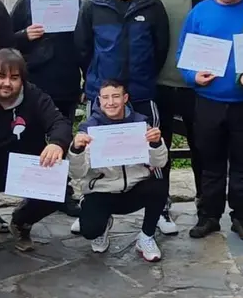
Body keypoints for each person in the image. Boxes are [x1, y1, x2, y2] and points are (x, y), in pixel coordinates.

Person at [178, 0, 243, 242]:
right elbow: (183, 55)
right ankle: (209, 216)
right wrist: (193, 77)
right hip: (208, 102)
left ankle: (241, 217)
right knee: (210, 164)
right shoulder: (200, 13)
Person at [0, 50, 73, 252]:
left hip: (25, 168)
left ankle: (21, 221)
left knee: (61, 191)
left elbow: (59, 122)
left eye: (14, 78)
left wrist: (56, 143)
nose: (7, 83)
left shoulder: (35, 96)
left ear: (22, 80)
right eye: (1, 76)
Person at [145, 0, 214, 235]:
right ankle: (162, 205)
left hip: (194, 87)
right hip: (158, 85)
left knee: (201, 148)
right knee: (159, 149)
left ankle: (205, 208)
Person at [10, 0, 84, 219]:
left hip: (66, 84)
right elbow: (5, 41)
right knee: (31, 141)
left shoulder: (77, 4)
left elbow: (85, 45)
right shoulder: (25, 4)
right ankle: (34, 196)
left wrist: (86, 79)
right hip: (34, 85)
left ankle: (63, 194)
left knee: (60, 141)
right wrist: (23, 35)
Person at [68, 79, 169, 261]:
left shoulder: (140, 125)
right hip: (102, 191)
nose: (111, 102)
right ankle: (103, 224)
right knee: (90, 231)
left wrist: (156, 143)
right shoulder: (90, 130)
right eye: (105, 97)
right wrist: (76, 150)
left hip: (134, 189)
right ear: (99, 100)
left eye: (116, 96)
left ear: (125, 98)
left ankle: (146, 237)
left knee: (158, 185)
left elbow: (160, 162)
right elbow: (77, 173)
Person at [75, 0, 168, 125]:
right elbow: (82, 50)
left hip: (141, 95)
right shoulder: (92, 5)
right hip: (103, 98)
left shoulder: (152, 6)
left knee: (143, 151)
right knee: (100, 151)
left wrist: (144, 76)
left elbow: (161, 49)